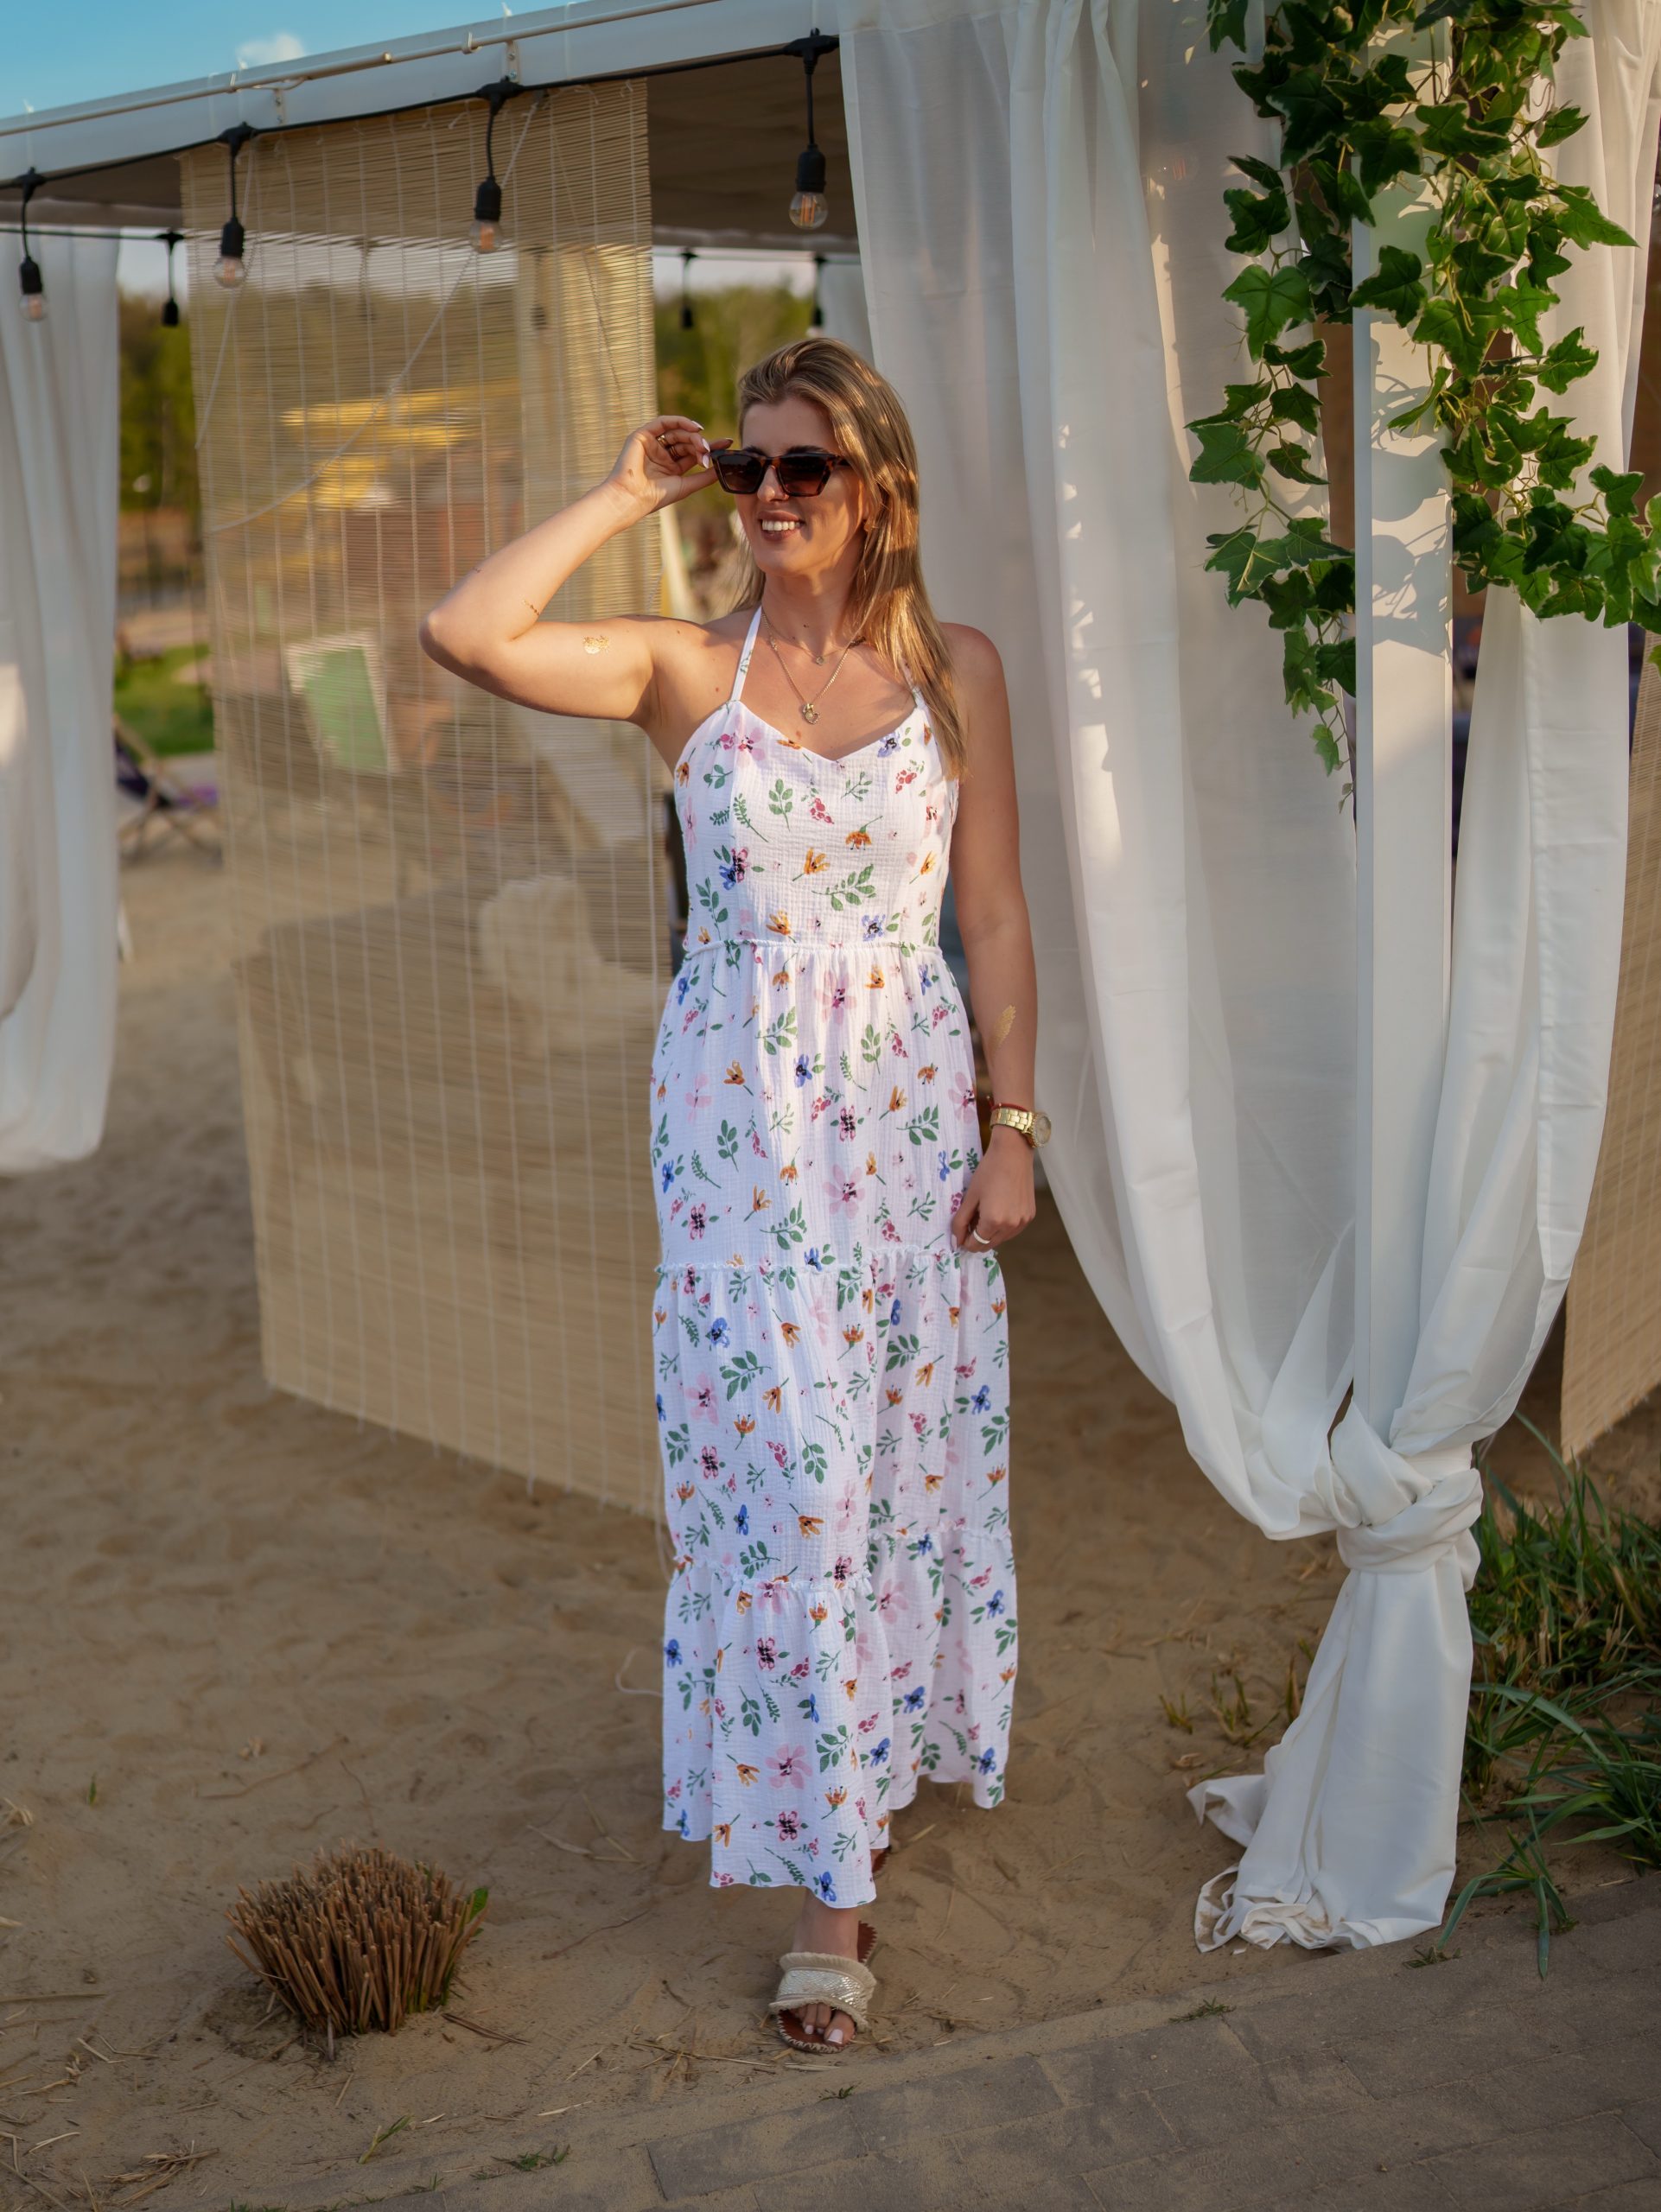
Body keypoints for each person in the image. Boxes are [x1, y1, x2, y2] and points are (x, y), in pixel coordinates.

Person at [420, 335, 1046, 2054]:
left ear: (875, 487)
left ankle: (863, 1780)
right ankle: (832, 1890)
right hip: (742, 1143)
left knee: (893, 1471)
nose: (767, 491)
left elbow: (991, 916)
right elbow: (464, 631)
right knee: (790, 1486)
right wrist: (629, 490)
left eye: (802, 465)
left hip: (908, 1127)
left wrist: (1012, 1129)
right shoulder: (683, 670)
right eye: (749, 463)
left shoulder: (960, 672)